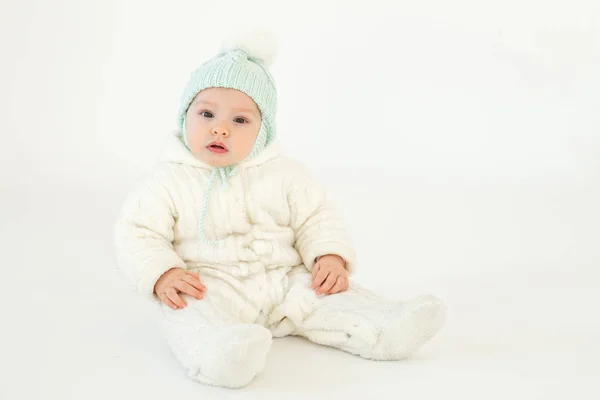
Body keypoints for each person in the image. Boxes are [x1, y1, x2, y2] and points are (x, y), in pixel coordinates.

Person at [113, 31, 446, 389]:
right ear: (184, 116)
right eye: (206, 113)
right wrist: (162, 273)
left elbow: (315, 216)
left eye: (240, 120)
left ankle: (385, 327)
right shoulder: (167, 180)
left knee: (325, 293)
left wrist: (329, 256)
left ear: (263, 130)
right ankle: (220, 354)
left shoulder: (285, 173)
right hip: (211, 281)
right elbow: (137, 231)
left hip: (284, 278)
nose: (220, 128)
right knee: (188, 308)